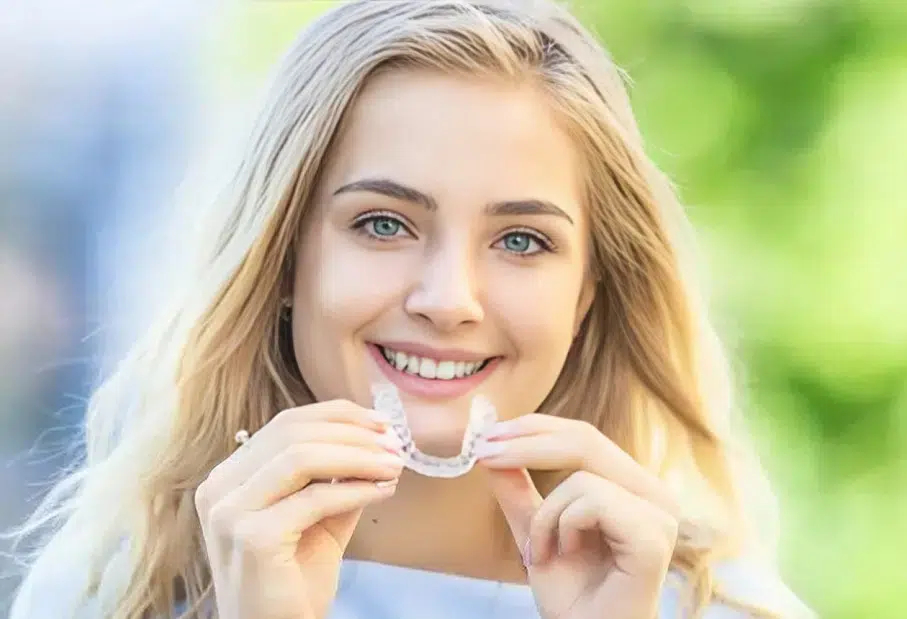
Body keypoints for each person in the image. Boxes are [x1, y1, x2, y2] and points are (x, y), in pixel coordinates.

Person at [8, 1, 815, 618]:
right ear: (283, 257)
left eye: (521, 240)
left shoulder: (724, 608)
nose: (447, 300)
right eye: (383, 224)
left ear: (586, 294)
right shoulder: (103, 594)